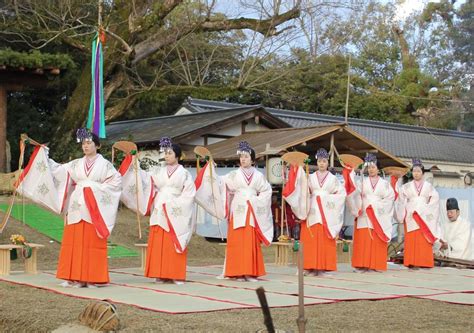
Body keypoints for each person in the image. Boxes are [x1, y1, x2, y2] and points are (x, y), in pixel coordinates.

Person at [16, 129, 122, 287]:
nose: (85, 146)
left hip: (94, 207)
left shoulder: (105, 165)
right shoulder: (76, 163)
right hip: (76, 205)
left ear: (97, 145)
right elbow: (59, 170)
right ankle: (73, 276)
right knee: (74, 241)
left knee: (91, 243)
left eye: (89, 143)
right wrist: (44, 155)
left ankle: (93, 277)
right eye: (83, 143)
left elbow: (116, 182)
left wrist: (93, 188)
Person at [119, 137, 196, 285]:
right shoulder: (158, 172)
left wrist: (173, 206)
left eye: (170, 153)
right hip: (160, 208)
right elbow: (146, 182)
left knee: (172, 242)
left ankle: (175, 274)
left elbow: (189, 194)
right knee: (158, 243)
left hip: (175, 211)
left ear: (177, 156)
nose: (167, 156)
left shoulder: (184, 174)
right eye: (165, 153)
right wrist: (134, 162)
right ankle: (159, 274)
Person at [195, 141, 273, 281]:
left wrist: (256, 201)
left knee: (250, 241)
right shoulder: (233, 175)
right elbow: (219, 183)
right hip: (238, 209)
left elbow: (267, 190)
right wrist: (211, 168)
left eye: (246, 157)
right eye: (241, 157)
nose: (243, 159)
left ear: (253, 160)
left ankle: (250, 272)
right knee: (237, 241)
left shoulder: (259, 176)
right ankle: (236, 271)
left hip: (252, 209)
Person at [283, 148, 346, 276]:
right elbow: (302, 188)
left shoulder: (333, 179)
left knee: (324, 240)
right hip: (312, 210)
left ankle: (323, 267)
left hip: (327, 213)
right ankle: (308, 266)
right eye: (319, 161)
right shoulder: (309, 176)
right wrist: (298, 169)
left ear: (328, 162)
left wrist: (326, 199)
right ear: (316, 162)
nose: (322, 163)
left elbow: (341, 194)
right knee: (309, 239)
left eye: (324, 161)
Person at [346, 153, 395, 272]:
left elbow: (390, 198)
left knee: (376, 239)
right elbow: (354, 194)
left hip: (379, 214)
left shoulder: (385, 184)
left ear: (378, 169)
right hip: (364, 212)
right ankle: (362, 264)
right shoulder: (362, 181)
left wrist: (376, 207)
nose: (371, 169)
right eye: (369, 167)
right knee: (364, 239)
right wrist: (359, 203)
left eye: (374, 167)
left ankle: (376, 264)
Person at [395, 158, 440, 269]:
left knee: (423, 238)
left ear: (423, 173)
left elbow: (435, 198)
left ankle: (424, 261)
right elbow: (400, 199)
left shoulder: (428, 186)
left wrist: (428, 209)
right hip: (411, 213)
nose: (416, 173)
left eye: (419, 171)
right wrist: (404, 209)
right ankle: (412, 261)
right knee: (412, 238)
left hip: (424, 214)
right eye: (414, 171)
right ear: (412, 173)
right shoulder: (406, 187)